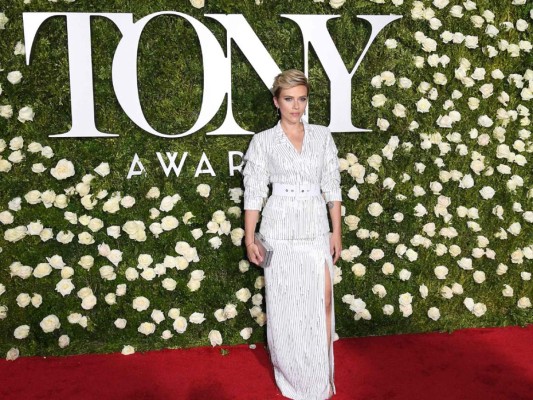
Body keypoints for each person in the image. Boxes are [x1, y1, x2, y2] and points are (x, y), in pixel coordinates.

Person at [242, 69, 342, 400]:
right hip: (279, 231)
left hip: (315, 228)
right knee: (286, 307)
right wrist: (249, 236)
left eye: (301, 99)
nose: (296, 106)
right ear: (276, 102)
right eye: (288, 99)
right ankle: (294, 374)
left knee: (323, 300)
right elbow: (254, 191)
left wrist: (336, 232)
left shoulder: (322, 136)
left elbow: (332, 186)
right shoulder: (263, 141)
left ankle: (320, 374)